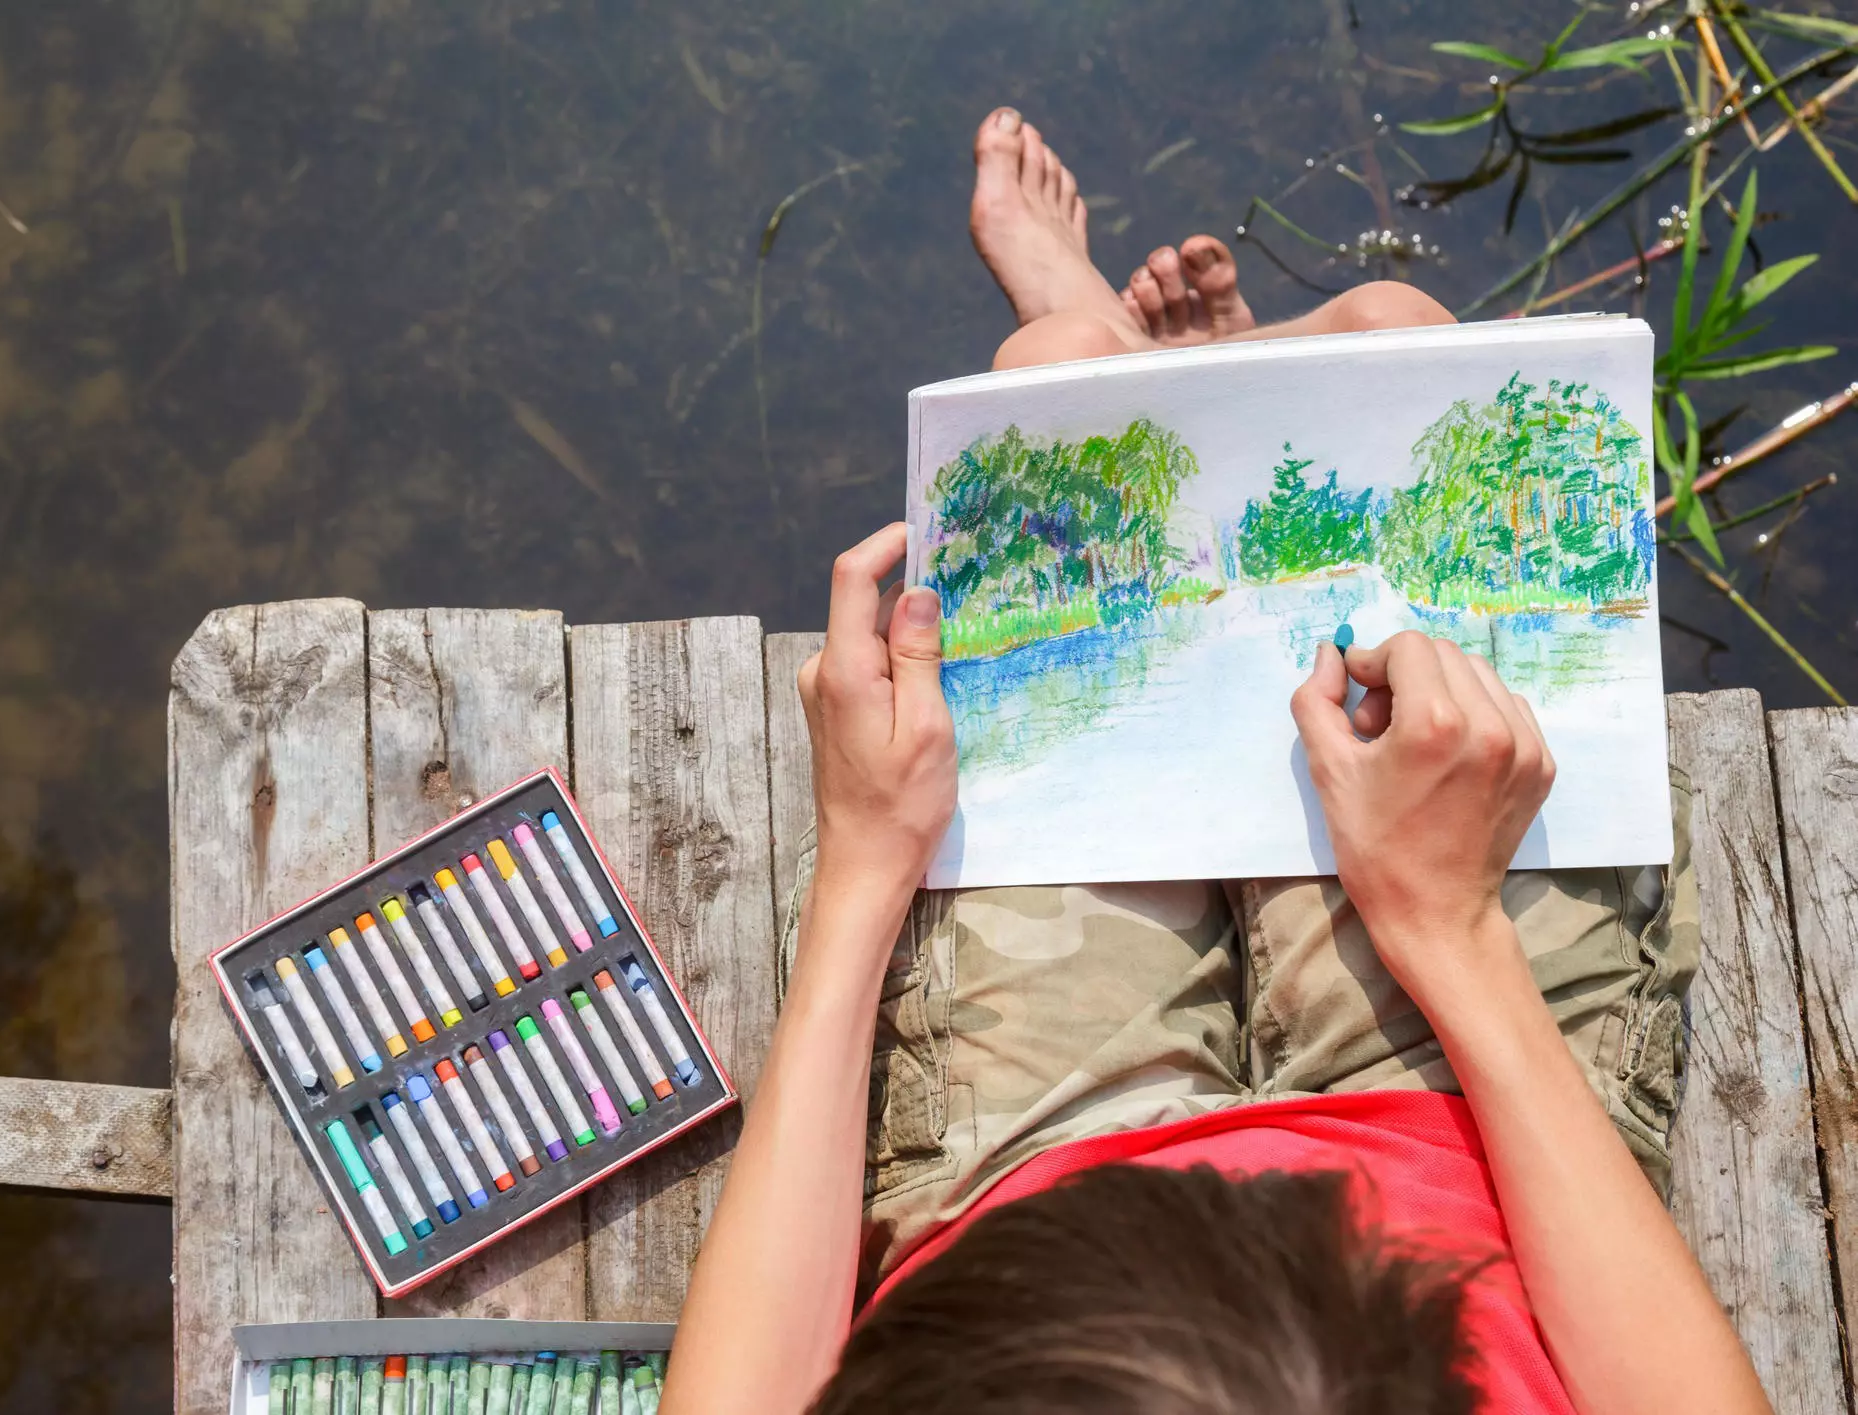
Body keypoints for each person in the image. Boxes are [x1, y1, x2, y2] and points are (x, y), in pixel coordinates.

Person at [661, 110, 1764, 1414]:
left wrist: (863, 863)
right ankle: (1201, 394)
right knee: (1393, 331)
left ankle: (1129, 367)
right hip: (1474, 1177)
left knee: (1050, 373)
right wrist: (1451, 931)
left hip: (1032, 1207)